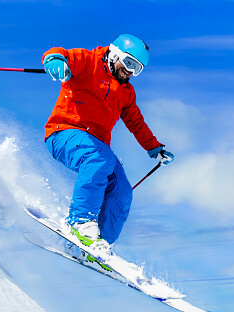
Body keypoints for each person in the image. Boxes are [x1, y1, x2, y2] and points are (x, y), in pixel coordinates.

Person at [41, 34, 172, 259]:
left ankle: (96, 246)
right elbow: (61, 53)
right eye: (129, 63)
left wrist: (154, 147)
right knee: (99, 157)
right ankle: (80, 223)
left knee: (122, 192)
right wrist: (54, 60)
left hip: (97, 148)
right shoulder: (89, 61)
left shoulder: (126, 92)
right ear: (115, 54)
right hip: (63, 133)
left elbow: (135, 121)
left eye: (138, 69)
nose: (131, 72)